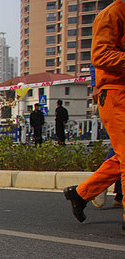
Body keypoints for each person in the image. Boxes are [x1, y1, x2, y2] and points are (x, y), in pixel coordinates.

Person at [64, 0, 125, 233]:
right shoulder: (112, 14)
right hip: (115, 93)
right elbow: (100, 55)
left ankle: (80, 193)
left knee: (121, 156)